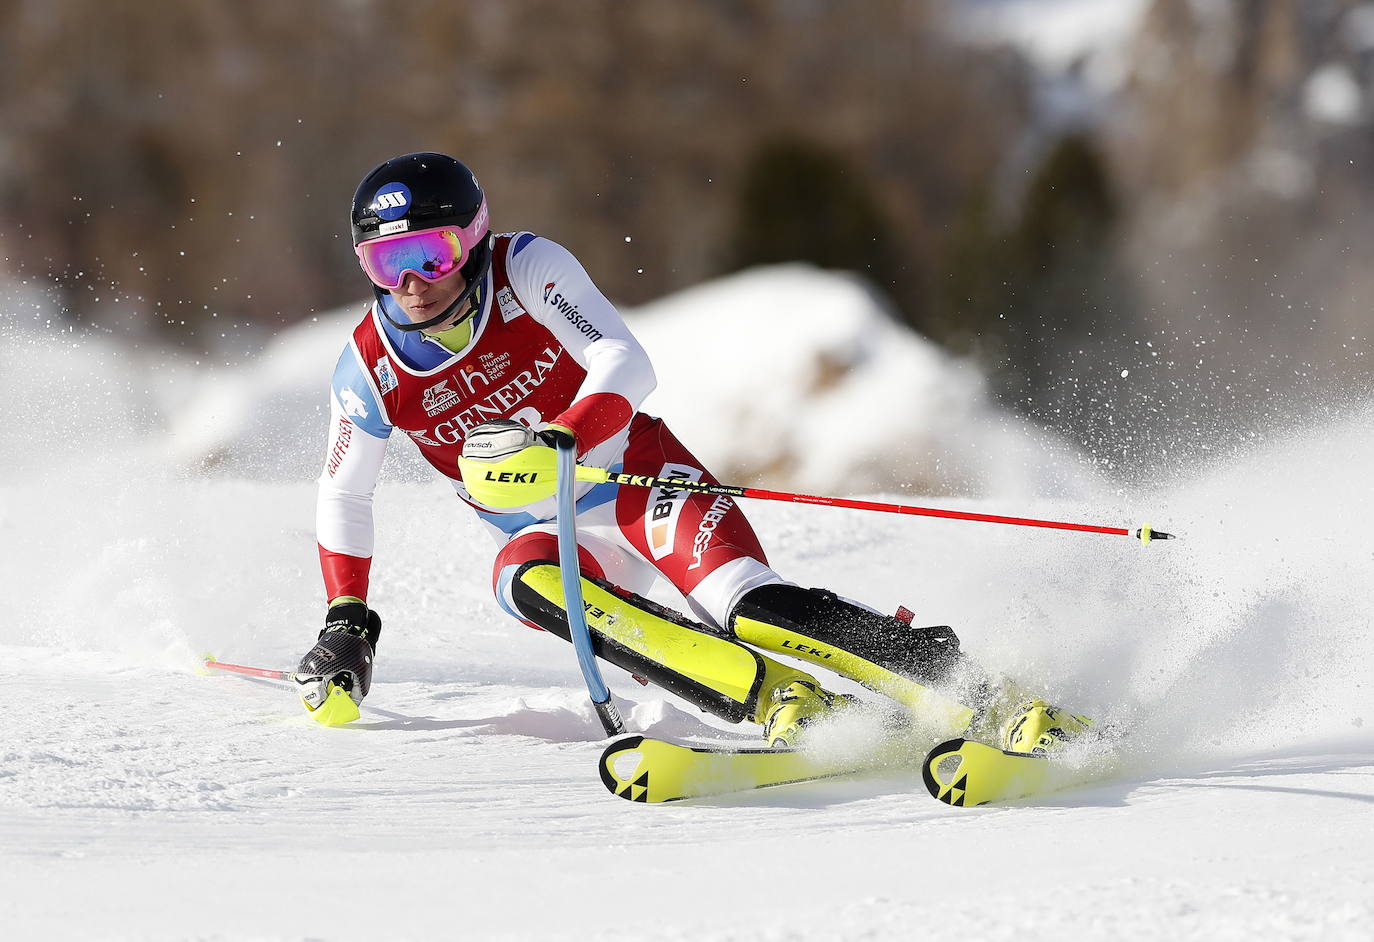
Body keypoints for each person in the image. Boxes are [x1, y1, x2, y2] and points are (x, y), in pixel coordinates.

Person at [296, 151, 1089, 754]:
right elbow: (343, 494)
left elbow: (623, 358)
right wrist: (347, 619)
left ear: (471, 240)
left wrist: (569, 431)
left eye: (428, 254)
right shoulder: (368, 368)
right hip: (560, 539)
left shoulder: (526, 269)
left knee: (751, 607)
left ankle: (984, 692)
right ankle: (782, 703)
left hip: (638, 480)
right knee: (523, 582)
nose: (412, 284)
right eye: (386, 263)